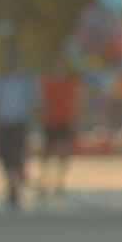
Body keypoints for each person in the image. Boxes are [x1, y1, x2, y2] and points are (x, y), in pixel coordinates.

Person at [0, 59, 39, 210]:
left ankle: (15, 187)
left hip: (19, 124)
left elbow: (34, 103)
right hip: (3, 125)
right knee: (6, 158)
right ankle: (12, 186)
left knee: (17, 157)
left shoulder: (25, 83)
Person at [39, 60, 81, 196]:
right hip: (50, 123)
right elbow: (42, 103)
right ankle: (44, 180)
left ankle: (59, 181)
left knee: (64, 153)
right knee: (48, 152)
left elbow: (75, 104)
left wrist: (75, 120)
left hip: (65, 122)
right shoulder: (47, 84)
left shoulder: (70, 85)